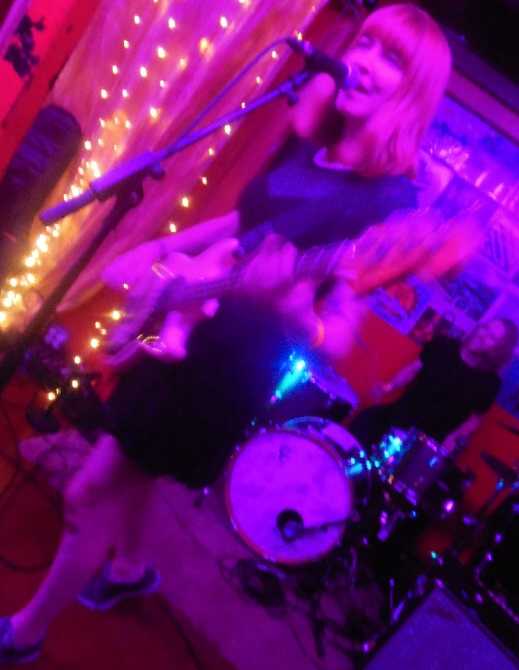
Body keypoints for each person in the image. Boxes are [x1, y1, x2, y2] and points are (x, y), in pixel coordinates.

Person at [0, 4, 460, 663]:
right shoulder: (309, 140)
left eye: (391, 59)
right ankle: (129, 568)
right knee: (137, 463)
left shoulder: (389, 204)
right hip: (181, 326)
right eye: (364, 43)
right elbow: (241, 223)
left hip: (226, 373)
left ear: (413, 91)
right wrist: (160, 250)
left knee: (94, 486)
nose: (363, 62)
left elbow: (336, 333)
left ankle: (26, 633)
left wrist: (294, 309)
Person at [348, 318, 519, 453]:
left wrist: (454, 438)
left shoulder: (490, 383)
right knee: (362, 424)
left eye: (492, 338)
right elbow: (413, 369)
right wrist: (389, 386)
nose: (483, 335)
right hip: (397, 418)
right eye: (485, 328)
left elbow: (475, 419)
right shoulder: (443, 346)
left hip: (425, 445)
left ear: (499, 350)